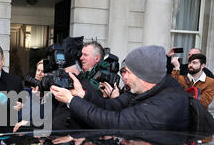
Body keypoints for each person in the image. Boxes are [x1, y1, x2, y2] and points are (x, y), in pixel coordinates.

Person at [50, 45, 190, 131]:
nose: (123, 77)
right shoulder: (139, 92)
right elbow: (108, 105)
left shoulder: (167, 103)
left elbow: (114, 121)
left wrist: (71, 101)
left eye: (127, 72)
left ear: (143, 75)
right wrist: (83, 95)